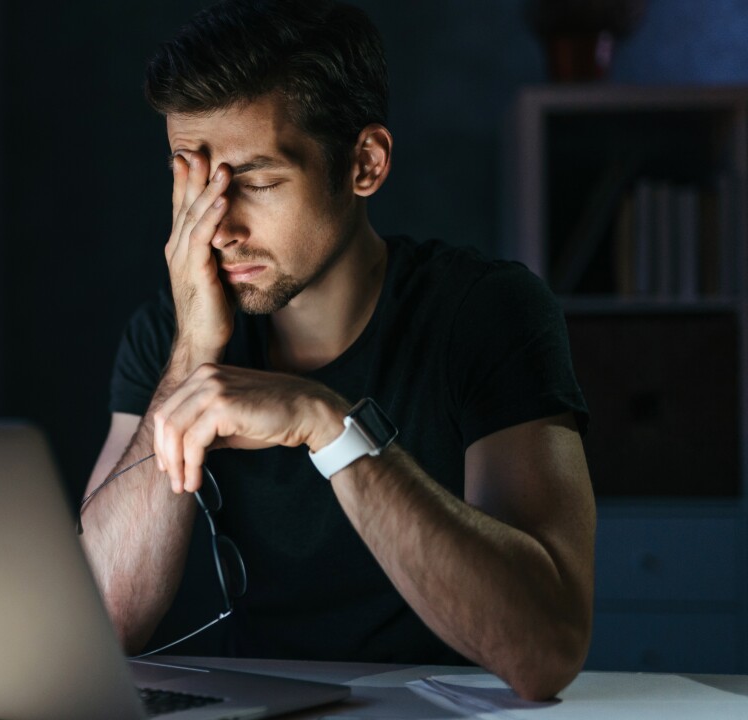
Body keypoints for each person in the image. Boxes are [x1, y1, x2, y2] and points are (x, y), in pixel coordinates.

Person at [76, 0, 595, 702]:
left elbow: (545, 651)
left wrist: (331, 427)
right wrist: (193, 356)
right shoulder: (168, 337)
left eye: (256, 182)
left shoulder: (488, 315)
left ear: (364, 163)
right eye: (196, 185)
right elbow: (97, 628)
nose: (219, 228)